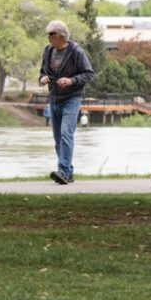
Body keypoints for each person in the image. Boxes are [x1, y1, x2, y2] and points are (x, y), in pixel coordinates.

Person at [39, 20, 95, 185]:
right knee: (58, 139)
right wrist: (42, 78)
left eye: (51, 35)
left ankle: (63, 171)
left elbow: (89, 73)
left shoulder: (76, 51)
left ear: (60, 36)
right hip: (54, 98)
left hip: (71, 98)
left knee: (66, 134)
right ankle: (67, 173)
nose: (48, 39)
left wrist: (71, 81)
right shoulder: (48, 51)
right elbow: (42, 72)